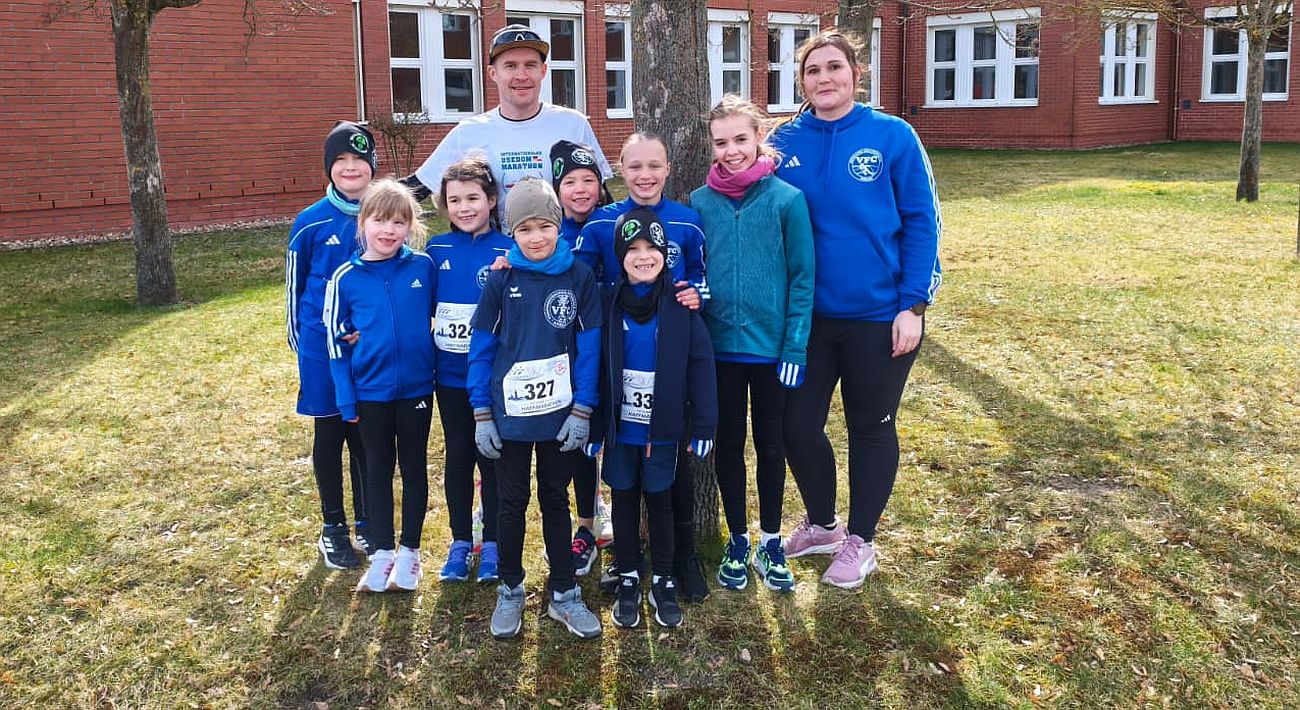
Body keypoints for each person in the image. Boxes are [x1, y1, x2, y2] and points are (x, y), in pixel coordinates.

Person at [768, 29, 942, 589]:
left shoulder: (892, 136)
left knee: (870, 425)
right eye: (812, 70)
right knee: (795, 426)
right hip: (809, 319)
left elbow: (921, 221)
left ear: (855, 74)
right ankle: (822, 524)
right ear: (802, 81)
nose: (824, 78)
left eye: (834, 68)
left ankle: (861, 540)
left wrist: (913, 304)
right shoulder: (784, 140)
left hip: (879, 315)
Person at [574, 132, 711, 602]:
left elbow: (701, 283)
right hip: (621, 360)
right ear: (620, 169)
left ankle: (682, 558)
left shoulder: (688, 224)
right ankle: (627, 560)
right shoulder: (599, 225)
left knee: (674, 473)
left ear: (669, 168)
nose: (645, 176)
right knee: (627, 477)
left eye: (654, 166)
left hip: (670, 360)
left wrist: (695, 296)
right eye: (634, 167)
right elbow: (580, 286)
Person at [467, 178, 603, 639]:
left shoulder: (579, 277)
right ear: (511, 232)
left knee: (553, 498)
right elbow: (480, 348)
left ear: (558, 225)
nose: (536, 237)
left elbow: (589, 347)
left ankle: (564, 592)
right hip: (508, 420)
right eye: (525, 228)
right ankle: (510, 588)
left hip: (561, 417)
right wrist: (481, 412)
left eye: (545, 225)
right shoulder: (501, 279)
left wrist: (583, 408)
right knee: (509, 502)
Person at [689, 95, 814, 593]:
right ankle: (737, 539)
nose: (732, 150)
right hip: (719, 349)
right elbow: (690, 267)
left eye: (741, 139)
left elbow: (803, 278)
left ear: (759, 137)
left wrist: (795, 346)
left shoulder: (786, 200)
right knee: (728, 448)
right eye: (722, 142)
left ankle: (770, 539)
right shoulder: (699, 202)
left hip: (770, 352)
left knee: (770, 445)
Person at [592, 207, 717, 629]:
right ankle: (629, 575)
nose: (643, 256)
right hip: (621, 431)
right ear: (620, 256)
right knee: (625, 502)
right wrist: (594, 426)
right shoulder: (608, 305)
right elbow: (596, 368)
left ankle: (663, 577)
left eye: (652, 248)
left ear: (665, 253)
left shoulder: (681, 305)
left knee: (660, 504)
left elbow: (701, 367)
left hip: (662, 431)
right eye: (633, 249)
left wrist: (703, 425)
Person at [323, 178, 439, 593]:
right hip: (369, 393)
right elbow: (336, 342)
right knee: (376, 469)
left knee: (413, 468)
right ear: (363, 223)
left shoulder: (422, 268)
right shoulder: (345, 278)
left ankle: (410, 553)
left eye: (398, 222)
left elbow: (438, 316)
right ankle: (382, 552)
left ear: (410, 227)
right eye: (379, 221)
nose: (388, 230)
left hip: (417, 392)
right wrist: (345, 397)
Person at [285, 121, 374, 570]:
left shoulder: (380, 216)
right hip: (322, 351)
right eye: (341, 161)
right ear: (329, 168)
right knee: (331, 432)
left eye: (359, 160)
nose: (351, 167)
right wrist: (306, 348)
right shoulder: (310, 223)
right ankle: (332, 526)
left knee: (364, 435)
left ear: (372, 167)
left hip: (368, 352)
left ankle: (367, 521)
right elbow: (296, 289)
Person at [405, 24, 612, 215]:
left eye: (530, 65)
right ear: (493, 73)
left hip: (559, 251)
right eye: (510, 66)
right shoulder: (467, 133)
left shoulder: (573, 124)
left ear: (543, 71)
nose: (521, 75)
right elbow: (415, 189)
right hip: (494, 253)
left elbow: (601, 196)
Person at [424, 158, 513, 584]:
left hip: (494, 380)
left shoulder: (507, 250)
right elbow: (420, 309)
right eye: (454, 200)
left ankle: (493, 543)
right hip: (450, 377)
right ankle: (461, 542)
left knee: (492, 457)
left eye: (473, 198)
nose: (464, 207)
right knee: (459, 456)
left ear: (491, 200)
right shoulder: (435, 251)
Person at [550, 139, 615, 573]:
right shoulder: (548, 232)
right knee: (581, 441)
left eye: (588, 180)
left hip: (620, 348)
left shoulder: (616, 223)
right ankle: (586, 526)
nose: (579, 189)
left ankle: (616, 517)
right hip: (567, 355)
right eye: (569, 182)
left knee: (619, 439)